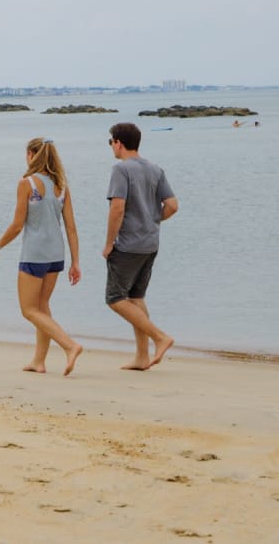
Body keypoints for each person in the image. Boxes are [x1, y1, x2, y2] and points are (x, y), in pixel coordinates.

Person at [0, 138, 83, 375]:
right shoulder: (61, 185)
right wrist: (75, 262)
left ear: (31, 154)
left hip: (35, 254)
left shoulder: (26, 183)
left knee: (29, 310)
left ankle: (70, 346)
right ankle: (39, 361)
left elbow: (18, 225)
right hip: (56, 255)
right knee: (42, 307)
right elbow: (71, 228)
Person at [103, 122, 177, 371]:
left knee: (114, 298)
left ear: (118, 143)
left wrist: (108, 243)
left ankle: (160, 337)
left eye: (111, 142)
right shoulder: (155, 169)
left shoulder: (121, 169)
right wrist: (153, 220)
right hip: (150, 243)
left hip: (128, 245)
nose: (111, 147)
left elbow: (117, 208)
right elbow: (173, 205)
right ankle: (142, 357)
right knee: (136, 297)